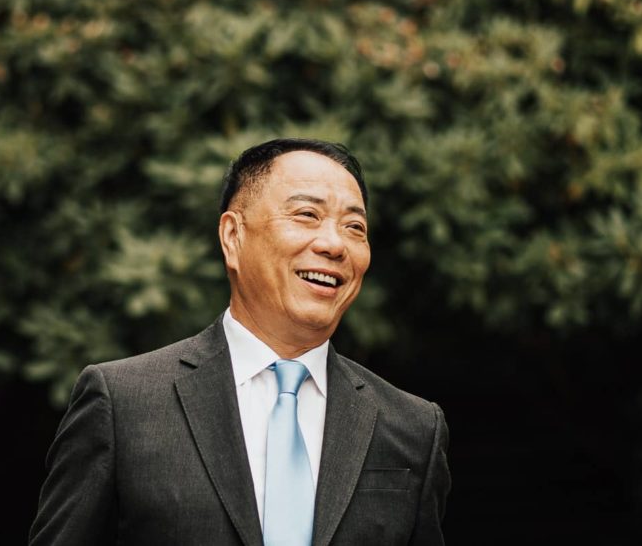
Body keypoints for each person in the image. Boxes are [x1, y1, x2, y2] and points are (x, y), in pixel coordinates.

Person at [29, 138, 450, 546]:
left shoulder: (412, 428)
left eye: (354, 227)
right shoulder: (124, 404)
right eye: (306, 215)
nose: (334, 244)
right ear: (233, 236)